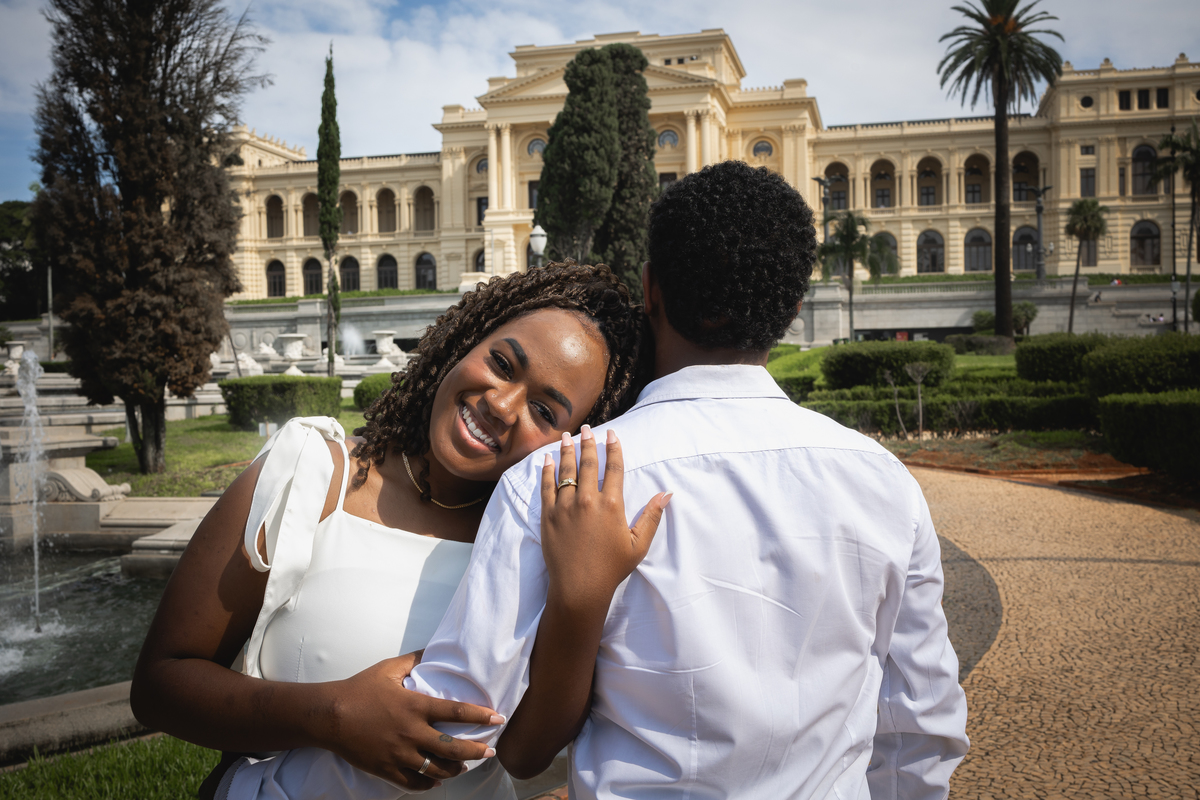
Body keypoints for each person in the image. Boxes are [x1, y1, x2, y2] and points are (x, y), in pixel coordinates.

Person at [250, 161, 971, 799]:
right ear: (791, 312)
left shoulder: (559, 478)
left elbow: (464, 723)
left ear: (650, 288)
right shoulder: (886, 485)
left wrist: (265, 780)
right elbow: (922, 725)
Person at [130, 263, 662, 800]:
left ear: (576, 440)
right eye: (501, 364)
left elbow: (526, 755)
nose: (501, 406)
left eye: (544, 410)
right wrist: (331, 716)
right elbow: (160, 685)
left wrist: (583, 597)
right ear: (467, 340)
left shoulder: (547, 544)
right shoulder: (313, 475)